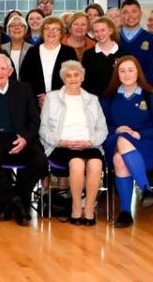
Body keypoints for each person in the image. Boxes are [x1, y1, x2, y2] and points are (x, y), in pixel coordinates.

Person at [0, 54, 46, 225]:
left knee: (41, 161)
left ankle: (13, 200)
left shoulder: (24, 89)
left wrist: (26, 138)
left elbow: (34, 119)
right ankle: (15, 201)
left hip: (21, 138)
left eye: (3, 68)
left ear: (10, 71)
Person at [101, 56, 153, 228]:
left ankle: (125, 212)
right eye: (122, 71)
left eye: (131, 70)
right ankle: (145, 189)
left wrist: (139, 133)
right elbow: (100, 126)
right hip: (115, 140)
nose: (126, 74)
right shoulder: (108, 98)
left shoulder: (151, 97)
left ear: (138, 72)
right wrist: (114, 130)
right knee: (122, 141)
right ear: (117, 74)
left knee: (119, 159)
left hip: (146, 143)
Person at [38, 61, 106, 225]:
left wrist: (90, 143)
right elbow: (43, 128)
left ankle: (89, 210)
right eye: (68, 76)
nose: (73, 79)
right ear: (63, 79)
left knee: (96, 165)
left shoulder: (92, 99)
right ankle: (76, 208)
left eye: (76, 75)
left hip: (88, 144)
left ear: (82, 78)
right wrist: (60, 142)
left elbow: (102, 129)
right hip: (61, 145)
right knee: (76, 164)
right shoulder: (52, 98)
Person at [19, 17, 78, 107]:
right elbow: (25, 76)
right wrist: (39, 97)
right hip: (37, 103)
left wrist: (55, 97)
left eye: (55, 29)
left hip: (63, 102)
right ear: (42, 32)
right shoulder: (32, 51)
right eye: (47, 29)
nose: (51, 32)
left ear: (61, 33)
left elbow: (75, 77)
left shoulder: (69, 52)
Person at [117, 0, 153, 86]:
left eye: (134, 11)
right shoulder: (113, 38)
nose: (130, 16)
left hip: (144, 89)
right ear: (121, 15)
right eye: (125, 12)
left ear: (140, 13)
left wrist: (137, 87)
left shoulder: (152, 40)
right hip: (118, 91)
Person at [81, 17, 121, 97]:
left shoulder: (124, 53)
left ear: (110, 31)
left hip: (118, 99)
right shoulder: (88, 55)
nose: (100, 34)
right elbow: (85, 81)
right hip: (95, 100)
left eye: (103, 30)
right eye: (96, 31)